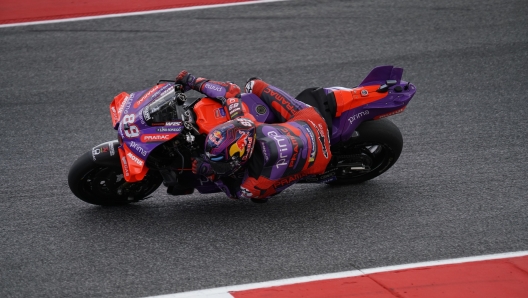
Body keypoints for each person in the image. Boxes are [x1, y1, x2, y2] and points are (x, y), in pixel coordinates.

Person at [175, 70, 332, 202]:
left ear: (241, 158)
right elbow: (230, 91)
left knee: (260, 197)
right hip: (309, 121)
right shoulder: (246, 124)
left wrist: (211, 172)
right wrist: (193, 80)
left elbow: (234, 193)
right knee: (253, 84)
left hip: (320, 160)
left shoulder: (252, 182)